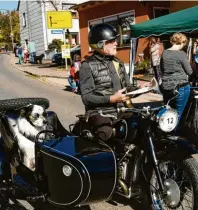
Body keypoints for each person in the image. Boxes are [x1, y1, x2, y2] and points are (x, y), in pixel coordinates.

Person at [79, 23, 136, 141]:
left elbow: (127, 89)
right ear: (100, 44)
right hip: (100, 112)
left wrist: (142, 88)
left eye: (115, 40)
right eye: (111, 41)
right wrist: (111, 99)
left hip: (122, 109)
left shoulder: (118, 63)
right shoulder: (87, 66)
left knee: (141, 126)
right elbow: (87, 97)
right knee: (106, 133)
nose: (116, 43)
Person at [160, 33, 193, 121]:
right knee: (177, 115)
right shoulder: (181, 54)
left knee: (168, 112)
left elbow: (162, 69)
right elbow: (189, 72)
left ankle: (162, 131)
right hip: (180, 87)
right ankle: (173, 133)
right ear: (182, 42)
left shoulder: (164, 53)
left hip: (166, 87)